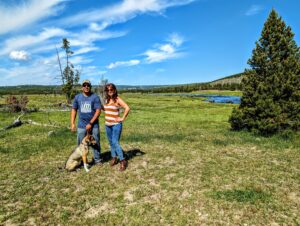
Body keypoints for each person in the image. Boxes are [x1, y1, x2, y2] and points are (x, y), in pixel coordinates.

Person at [71, 79, 102, 169]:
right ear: (82, 87)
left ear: (90, 87)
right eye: (84, 85)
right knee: (81, 144)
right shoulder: (77, 97)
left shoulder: (95, 97)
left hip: (94, 124)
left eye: (88, 85)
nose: (86, 87)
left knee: (95, 142)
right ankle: (81, 161)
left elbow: (98, 111)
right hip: (81, 125)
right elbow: (74, 110)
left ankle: (97, 160)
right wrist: (72, 123)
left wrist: (91, 123)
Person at [104, 83, 130, 171]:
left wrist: (122, 118)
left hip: (116, 125)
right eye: (107, 90)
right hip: (107, 125)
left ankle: (123, 161)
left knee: (115, 142)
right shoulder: (106, 100)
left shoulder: (117, 99)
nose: (109, 91)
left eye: (111, 90)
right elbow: (106, 109)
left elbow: (127, 108)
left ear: (114, 90)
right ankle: (114, 158)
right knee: (111, 142)